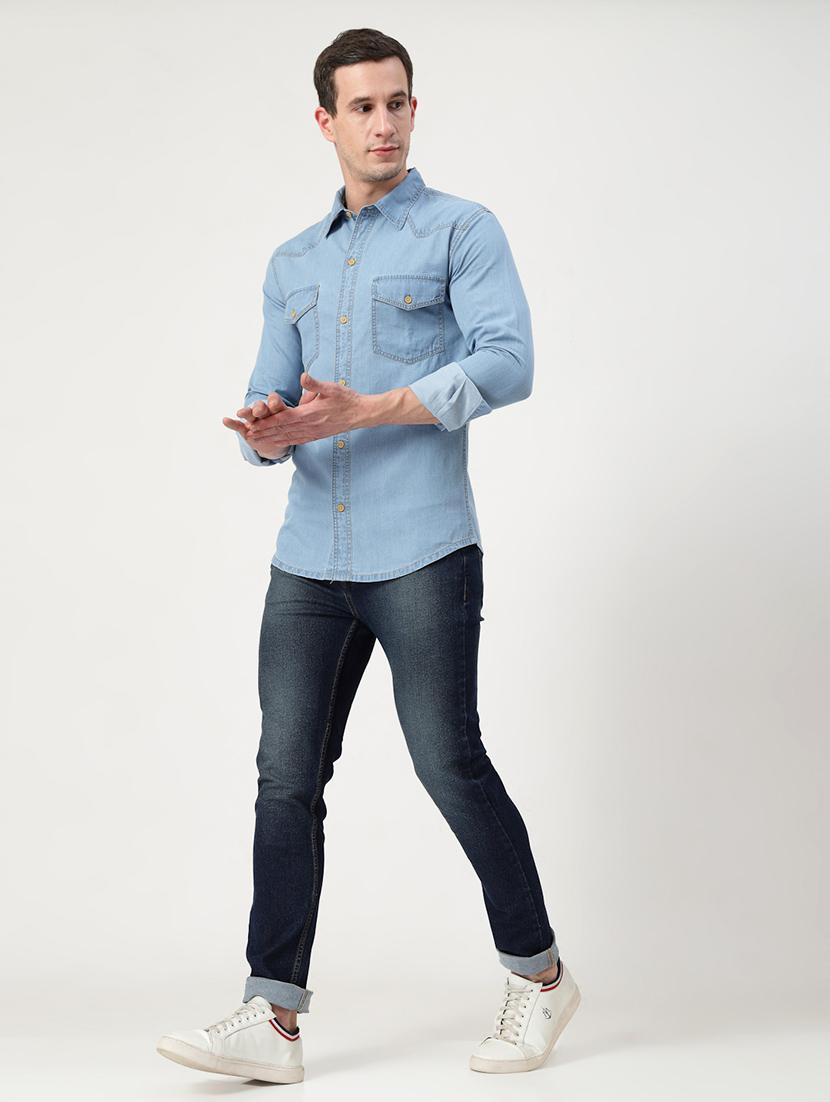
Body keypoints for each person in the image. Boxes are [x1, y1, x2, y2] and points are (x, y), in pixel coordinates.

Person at [157, 26, 580, 1085]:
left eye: (397, 103)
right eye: (362, 107)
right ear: (326, 121)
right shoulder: (292, 264)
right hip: (310, 558)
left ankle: (538, 977)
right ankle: (272, 1016)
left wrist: (376, 407)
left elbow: (510, 361)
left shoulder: (461, 231)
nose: (383, 123)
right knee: (284, 778)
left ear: (412, 109)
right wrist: (266, 429)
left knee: (448, 761)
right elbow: (269, 402)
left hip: (422, 548)